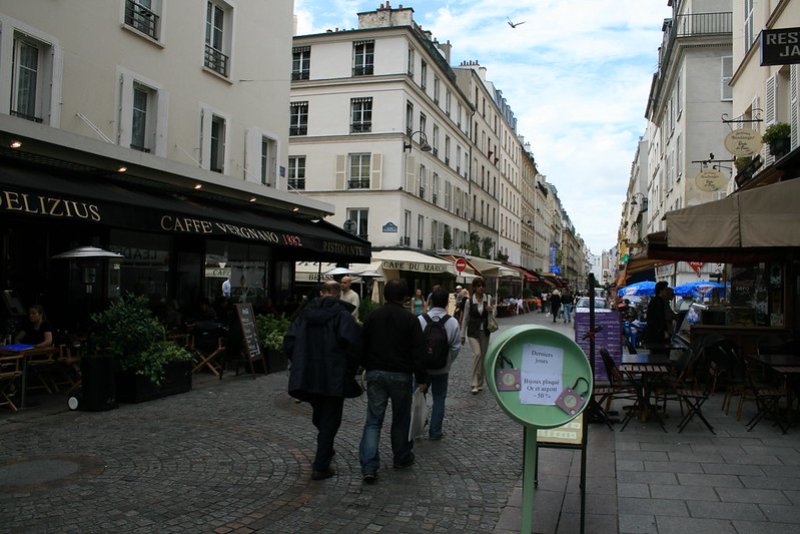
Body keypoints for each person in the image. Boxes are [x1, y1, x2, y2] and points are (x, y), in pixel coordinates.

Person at [282, 280, 362, 481]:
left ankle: (325, 448)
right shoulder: (343, 316)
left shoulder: (304, 315)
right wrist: (349, 370)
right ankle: (321, 464)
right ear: (337, 295)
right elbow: (353, 346)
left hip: (308, 375)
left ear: (322, 293)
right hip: (334, 376)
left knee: (320, 414)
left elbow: (289, 342)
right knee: (330, 419)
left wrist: (300, 361)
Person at [359, 279, 427, 485]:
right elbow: (418, 352)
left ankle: (369, 466)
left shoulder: (372, 316)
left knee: (373, 420)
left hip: (376, 373)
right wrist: (422, 379)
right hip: (401, 374)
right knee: (400, 418)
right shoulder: (410, 320)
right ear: (405, 297)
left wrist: (366, 366)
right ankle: (401, 457)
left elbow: (362, 344)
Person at [417, 286, 461, 441]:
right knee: (439, 399)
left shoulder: (421, 319)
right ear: (446, 304)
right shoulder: (453, 322)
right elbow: (456, 347)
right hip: (441, 368)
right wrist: (447, 361)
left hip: (423, 368)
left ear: (431, 302)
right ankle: (435, 431)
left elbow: (415, 344)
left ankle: (417, 427)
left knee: (418, 397)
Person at [460, 278, 494, 394]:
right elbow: (465, 318)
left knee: (483, 357)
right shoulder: (469, 301)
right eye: (479, 286)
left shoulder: (488, 298)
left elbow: (494, 315)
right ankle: (473, 383)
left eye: (482, 286)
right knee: (477, 354)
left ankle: (480, 383)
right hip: (473, 331)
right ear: (474, 288)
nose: (481, 288)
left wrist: (491, 310)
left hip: (484, 331)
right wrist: (462, 334)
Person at [644, 281, 671, 353]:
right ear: (661, 291)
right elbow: (660, 318)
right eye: (665, 289)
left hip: (654, 335)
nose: (666, 291)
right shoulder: (659, 302)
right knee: (660, 355)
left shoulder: (655, 301)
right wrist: (664, 331)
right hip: (657, 335)